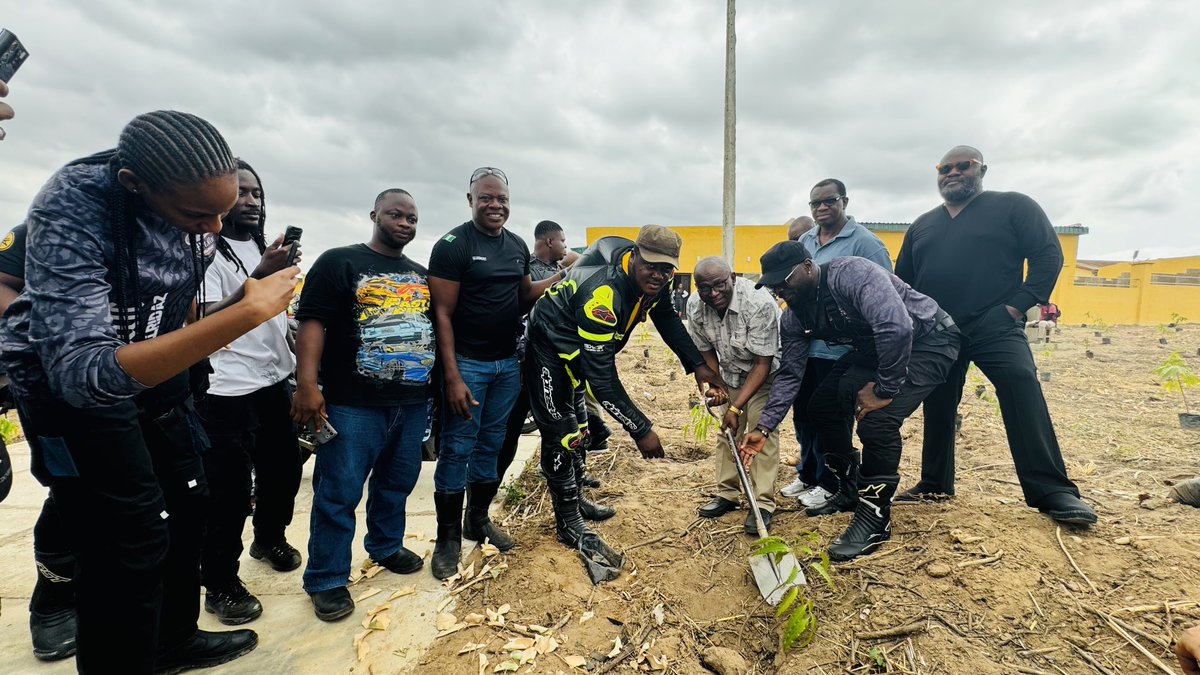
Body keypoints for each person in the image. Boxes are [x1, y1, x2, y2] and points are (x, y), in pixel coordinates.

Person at [0, 110, 298, 673]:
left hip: (158, 381)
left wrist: (243, 299)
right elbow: (86, 375)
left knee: (189, 506)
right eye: (196, 214)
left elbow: (178, 312)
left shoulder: (199, 219)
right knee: (126, 542)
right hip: (71, 398)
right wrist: (246, 315)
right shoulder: (72, 207)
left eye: (221, 211)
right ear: (135, 184)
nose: (212, 228)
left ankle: (173, 639)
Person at [894, 146, 1096, 525]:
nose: (952, 173)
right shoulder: (922, 225)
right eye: (944, 168)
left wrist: (1015, 307)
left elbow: (1047, 256)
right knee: (937, 403)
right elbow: (904, 281)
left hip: (995, 325)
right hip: (940, 331)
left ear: (981, 169)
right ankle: (935, 483)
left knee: (1021, 385)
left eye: (962, 166)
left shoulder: (1013, 207)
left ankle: (1053, 491)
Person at [524, 224, 724, 581]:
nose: (659, 275)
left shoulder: (653, 283)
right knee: (562, 431)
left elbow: (665, 319)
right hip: (550, 348)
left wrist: (698, 366)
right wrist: (640, 428)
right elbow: (603, 381)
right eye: (651, 266)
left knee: (582, 425)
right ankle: (568, 523)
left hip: (579, 351)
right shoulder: (603, 293)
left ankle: (577, 493)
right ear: (634, 257)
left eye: (667, 269)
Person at [740, 242, 961, 561]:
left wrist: (884, 390)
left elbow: (896, 328)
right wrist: (764, 427)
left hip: (929, 340)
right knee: (822, 407)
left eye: (784, 280)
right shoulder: (794, 319)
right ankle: (849, 489)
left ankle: (874, 518)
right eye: (773, 284)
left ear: (806, 266)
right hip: (875, 349)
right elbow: (790, 374)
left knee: (878, 421)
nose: (779, 289)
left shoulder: (851, 274)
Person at [291, 188, 435, 621]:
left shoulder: (420, 273)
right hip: (353, 403)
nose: (405, 223)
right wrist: (306, 384)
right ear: (375, 214)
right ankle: (327, 578)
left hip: (411, 403)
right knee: (338, 491)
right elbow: (312, 322)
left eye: (412, 218)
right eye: (396, 214)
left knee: (396, 483)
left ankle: (386, 546)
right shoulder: (339, 261)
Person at [427, 168, 564, 580]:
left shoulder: (517, 245)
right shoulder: (452, 246)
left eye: (501, 198)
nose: (495, 205)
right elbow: (442, 314)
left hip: (508, 364)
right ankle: (447, 538)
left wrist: (560, 279)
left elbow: (522, 297)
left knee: (491, 443)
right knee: (456, 447)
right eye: (486, 198)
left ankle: (478, 519)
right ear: (470, 199)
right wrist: (452, 377)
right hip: (467, 363)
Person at [197, 159, 303, 626]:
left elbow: (276, 313)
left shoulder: (265, 247)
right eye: (240, 192)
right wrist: (258, 277)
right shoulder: (203, 250)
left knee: (283, 471)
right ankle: (220, 582)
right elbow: (200, 322)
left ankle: (269, 537)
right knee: (228, 492)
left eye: (256, 192)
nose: (251, 201)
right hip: (224, 388)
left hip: (273, 380)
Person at [781, 180, 893, 513]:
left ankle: (831, 483)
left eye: (828, 201)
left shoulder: (866, 244)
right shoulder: (805, 241)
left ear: (844, 201)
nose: (820, 208)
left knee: (832, 416)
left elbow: (883, 296)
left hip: (844, 351)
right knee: (804, 413)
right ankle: (809, 473)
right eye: (815, 203)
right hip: (807, 346)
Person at [0, 222, 79, 661]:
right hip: (52, 388)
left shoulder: (166, 231)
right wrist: (54, 330)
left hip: (136, 382)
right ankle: (52, 602)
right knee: (69, 490)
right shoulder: (45, 227)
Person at [497, 220, 604, 502]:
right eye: (563, 242)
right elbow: (522, 307)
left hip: (559, 364)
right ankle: (490, 488)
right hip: (526, 361)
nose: (566, 248)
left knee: (570, 425)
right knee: (511, 430)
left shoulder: (556, 269)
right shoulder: (529, 270)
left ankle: (574, 480)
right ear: (548, 241)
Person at [687, 257, 781, 535]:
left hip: (766, 374)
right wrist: (717, 386)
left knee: (760, 433)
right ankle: (727, 494)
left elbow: (763, 364)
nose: (713, 294)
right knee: (727, 432)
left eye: (719, 285)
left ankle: (762, 504)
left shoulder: (758, 303)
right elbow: (705, 352)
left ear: (733, 277)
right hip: (730, 373)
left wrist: (736, 407)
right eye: (705, 288)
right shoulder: (695, 305)